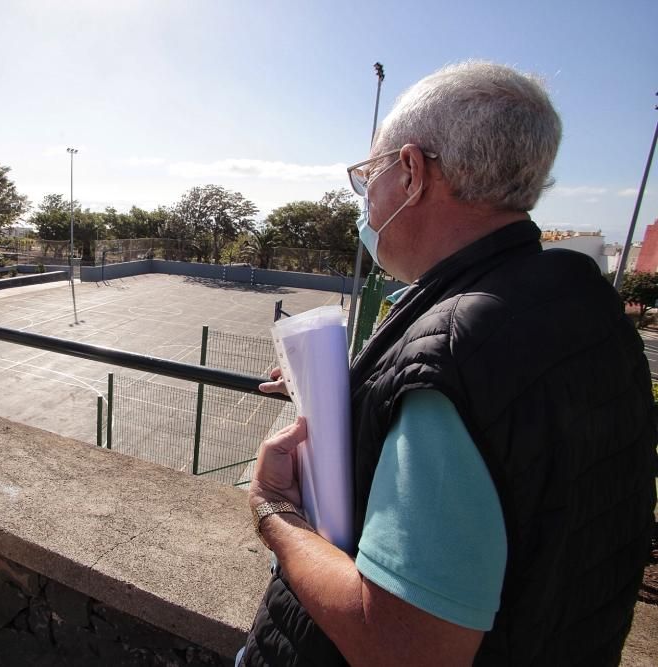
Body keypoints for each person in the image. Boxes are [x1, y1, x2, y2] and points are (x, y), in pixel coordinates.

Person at [243, 62, 656, 666]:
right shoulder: (581, 302)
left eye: (368, 177)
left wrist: (274, 508)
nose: (365, 201)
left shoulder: (460, 351)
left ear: (410, 173)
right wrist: (353, 395)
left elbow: (402, 646)